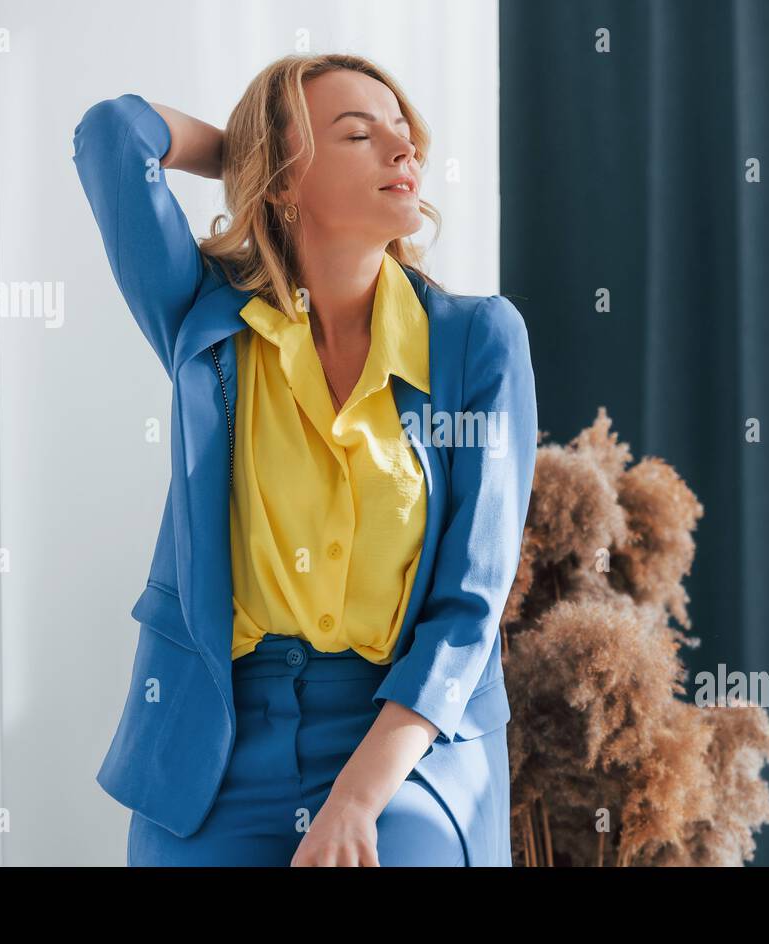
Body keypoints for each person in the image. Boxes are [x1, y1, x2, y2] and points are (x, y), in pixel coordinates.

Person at [72, 53, 536, 866]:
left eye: (406, 134)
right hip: (214, 741)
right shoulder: (205, 320)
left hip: (405, 740)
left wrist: (356, 798)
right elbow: (114, 136)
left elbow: (471, 604)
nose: (404, 153)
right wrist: (247, 157)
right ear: (284, 182)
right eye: (359, 134)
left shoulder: (477, 341)